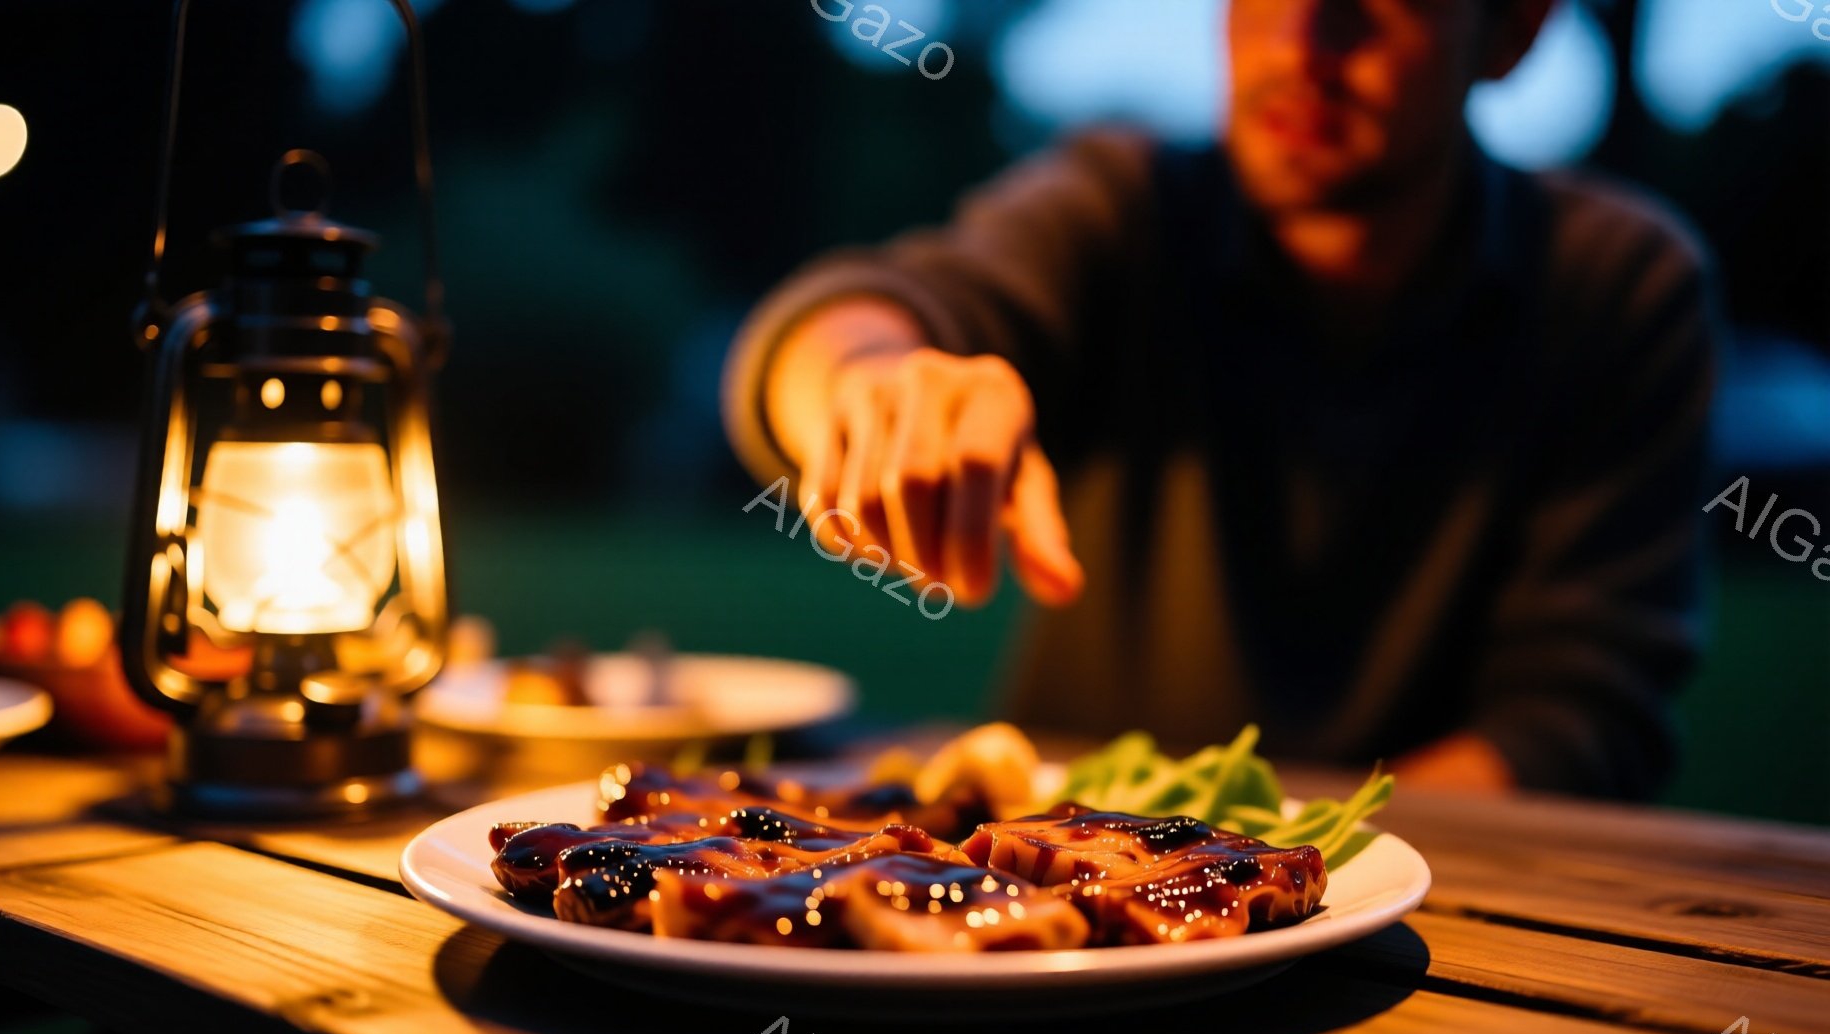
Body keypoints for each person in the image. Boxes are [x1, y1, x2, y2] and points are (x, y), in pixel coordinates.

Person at [723, 0, 1718, 797]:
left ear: (1512, 30)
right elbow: (842, 326)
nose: (1304, 39)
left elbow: (1583, 718)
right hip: (1043, 911)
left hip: (1449, 928)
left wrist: (1276, 856)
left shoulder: (1618, 285)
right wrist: (867, 388)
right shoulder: (1125, 203)